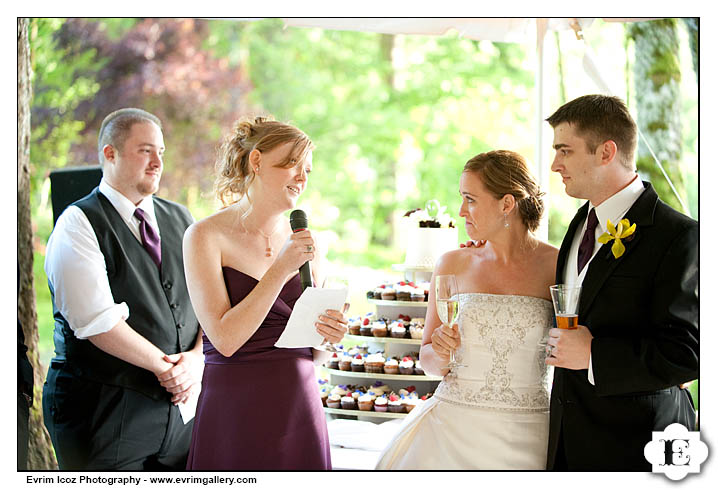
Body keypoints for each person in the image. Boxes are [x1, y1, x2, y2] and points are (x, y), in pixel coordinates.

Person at [183, 116, 347, 470]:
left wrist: (329, 335)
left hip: (299, 407)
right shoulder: (204, 236)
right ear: (256, 161)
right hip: (233, 411)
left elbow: (315, 354)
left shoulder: (309, 245)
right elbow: (225, 339)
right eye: (293, 166)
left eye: (308, 170)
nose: (303, 179)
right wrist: (280, 270)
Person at [376, 150, 557, 470]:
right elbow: (428, 360)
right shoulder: (452, 263)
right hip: (450, 434)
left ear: (506, 204)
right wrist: (442, 352)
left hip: (531, 434)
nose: (461, 211)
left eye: (470, 199)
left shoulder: (556, 265)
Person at [43, 108, 203, 470]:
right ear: (109, 153)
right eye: (145, 150)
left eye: (161, 152)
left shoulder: (182, 219)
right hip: (101, 410)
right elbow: (96, 322)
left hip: (179, 415)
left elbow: (208, 301)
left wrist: (195, 360)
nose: (157, 162)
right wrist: (169, 370)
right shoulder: (78, 224)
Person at [544, 94, 698, 471]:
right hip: (569, 442)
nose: (554, 165)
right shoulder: (579, 224)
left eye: (565, 151)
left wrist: (594, 357)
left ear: (606, 152)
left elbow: (689, 354)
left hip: (641, 447)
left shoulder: (680, 236)